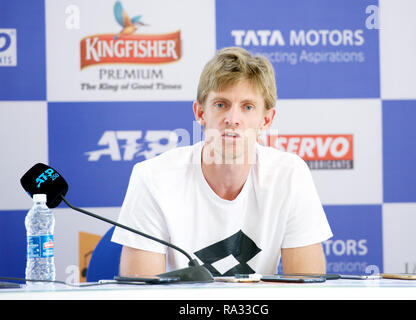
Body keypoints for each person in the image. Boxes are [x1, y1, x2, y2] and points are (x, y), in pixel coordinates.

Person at [111, 47, 333, 277]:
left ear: (266, 119)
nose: (232, 120)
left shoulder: (290, 174)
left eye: (248, 107)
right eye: (221, 104)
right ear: (200, 113)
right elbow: (144, 293)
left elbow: (307, 289)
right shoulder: (153, 177)